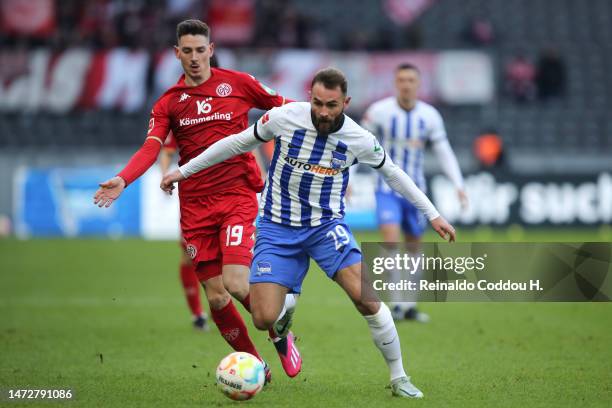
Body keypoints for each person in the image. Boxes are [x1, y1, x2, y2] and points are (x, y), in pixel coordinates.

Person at [161, 67, 456, 399]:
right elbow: (235, 143)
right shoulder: (285, 117)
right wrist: (183, 172)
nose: (323, 112)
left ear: (345, 102)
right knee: (262, 318)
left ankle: (399, 377)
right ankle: (286, 306)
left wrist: (433, 214)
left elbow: (394, 174)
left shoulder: (359, 139)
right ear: (309, 98)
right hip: (276, 228)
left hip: (326, 228)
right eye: (317, 103)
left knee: (366, 298)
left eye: (331, 105)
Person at [93, 19, 301, 381]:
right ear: (177, 53)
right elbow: (151, 148)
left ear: (211, 49)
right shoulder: (169, 103)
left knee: (237, 284)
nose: (193, 57)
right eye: (186, 51)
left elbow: (288, 108)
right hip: (195, 206)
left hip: (236, 196)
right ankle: (256, 368)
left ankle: (280, 334)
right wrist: (123, 179)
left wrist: (325, 124)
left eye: (199, 50)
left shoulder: (239, 83)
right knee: (217, 298)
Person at [361, 63, 466, 322]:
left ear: (418, 84)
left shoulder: (430, 116)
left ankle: (409, 305)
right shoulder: (379, 112)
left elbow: (444, 151)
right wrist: (350, 177)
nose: (406, 84)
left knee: (414, 248)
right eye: (402, 80)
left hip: (417, 190)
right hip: (386, 189)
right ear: (395, 83)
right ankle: (396, 304)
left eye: (411, 80)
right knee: (390, 240)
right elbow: (359, 144)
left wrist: (458, 184)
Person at [159, 132, 208, 331]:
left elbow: (247, 143)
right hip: (194, 197)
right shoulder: (185, 116)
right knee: (189, 255)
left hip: (227, 193)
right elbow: (167, 151)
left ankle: (219, 303)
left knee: (227, 257)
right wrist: (165, 175)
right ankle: (197, 313)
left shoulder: (227, 110)